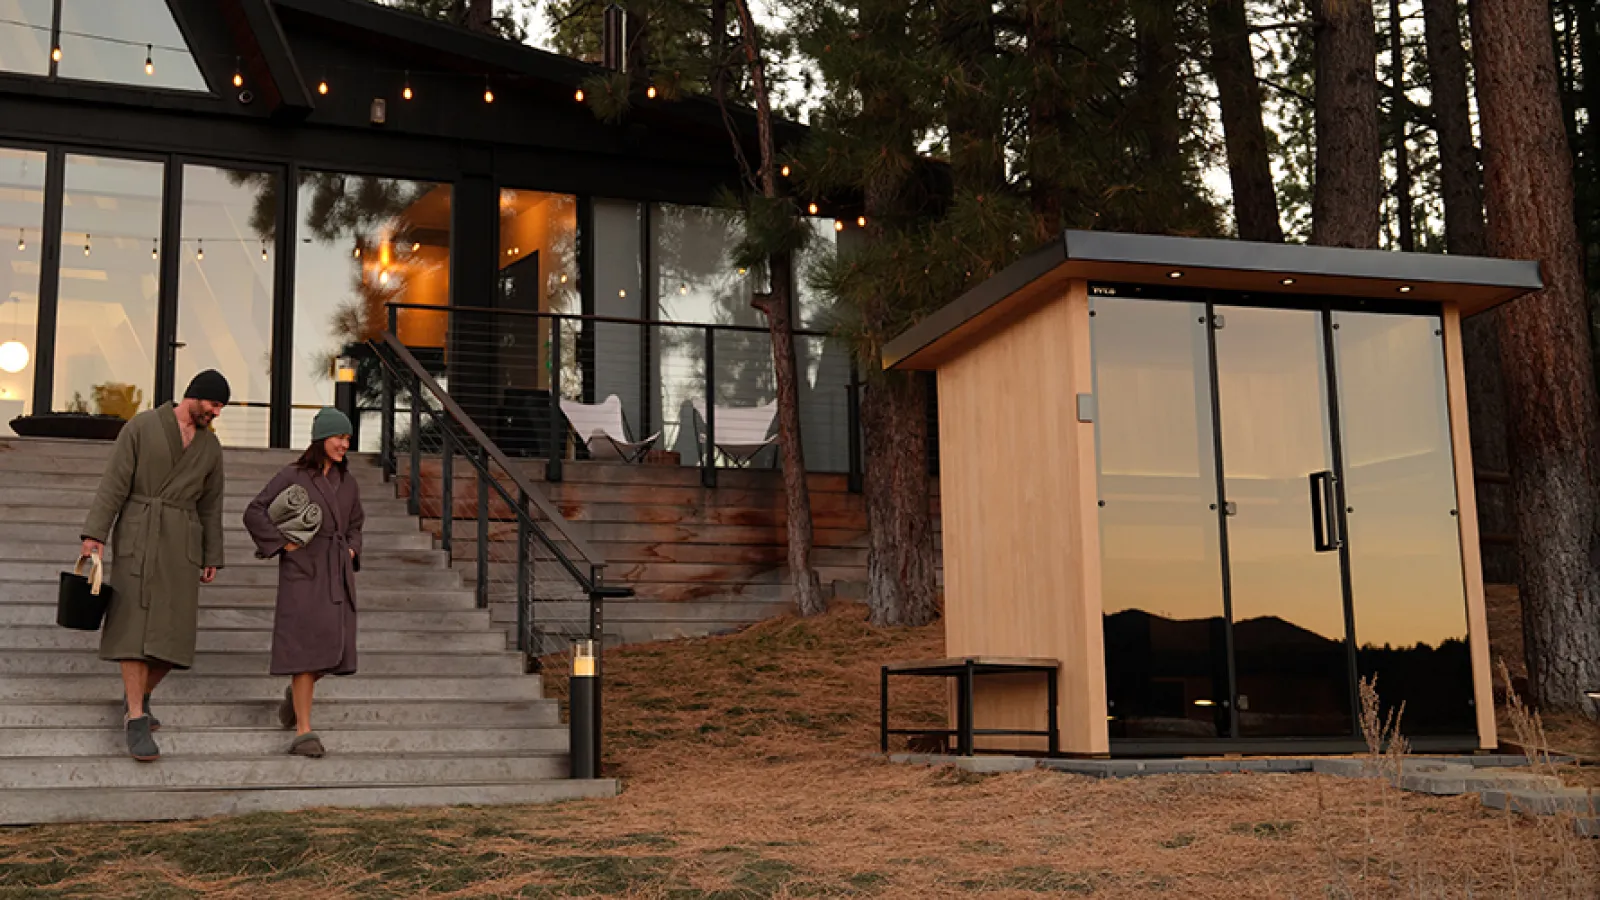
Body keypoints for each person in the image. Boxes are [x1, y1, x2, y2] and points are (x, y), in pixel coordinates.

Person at [81, 370, 230, 762]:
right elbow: (113, 483)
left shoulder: (210, 449)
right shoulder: (142, 427)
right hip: (138, 535)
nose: (216, 412)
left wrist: (212, 552)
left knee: (174, 635)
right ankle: (135, 718)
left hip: (182, 542)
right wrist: (94, 533)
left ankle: (141, 695)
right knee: (132, 626)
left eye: (220, 407)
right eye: (214, 404)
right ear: (194, 397)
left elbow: (211, 505)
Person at [242, 408, 364, 758]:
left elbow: (356, 523)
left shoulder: (349, 483)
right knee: (306, 653)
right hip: (303, 573)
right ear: (321, 439)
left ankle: (295, 698)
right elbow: (254, 511)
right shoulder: (293, 476)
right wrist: (282, 543)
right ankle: (303, 732)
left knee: (335, 650)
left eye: (348, 439)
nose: (344, 444)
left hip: (336, 572)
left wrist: (353, 549)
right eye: (339, 437)